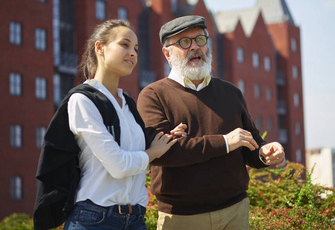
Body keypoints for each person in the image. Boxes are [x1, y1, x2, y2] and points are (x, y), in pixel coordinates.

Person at [136, 15, 286, 230]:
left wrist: (264, 153)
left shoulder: (231, 92)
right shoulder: (153, 95)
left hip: (236, 211)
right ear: (167, 53)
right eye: (184, 42)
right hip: (181, 217)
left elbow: (249, 143)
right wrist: (225, 142)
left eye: (200, 40)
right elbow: (164, 153)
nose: (195, 47)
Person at [34, 19, 186, 230]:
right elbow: (119, 165)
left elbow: (137, 162)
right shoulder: (83, 100)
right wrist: (153, 152)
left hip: (135, 219)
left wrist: (166, 140)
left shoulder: (128, 104)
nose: (133, 53)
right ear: (100, 48)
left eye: (136, 48)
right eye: (124, 44)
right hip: (94, 220)